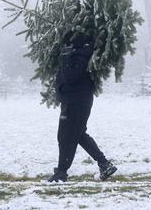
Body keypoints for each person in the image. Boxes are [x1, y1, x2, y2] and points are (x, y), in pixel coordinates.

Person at [48, 32, 117, 182]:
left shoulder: (82, 56)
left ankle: (61, 172)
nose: (66, 45)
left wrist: (66, 57)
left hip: (76, 102)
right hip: (74, 100)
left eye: (68, 43)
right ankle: (104, 164)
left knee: (65, 136)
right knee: (78, 135)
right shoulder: (79, 53)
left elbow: (71, 77)